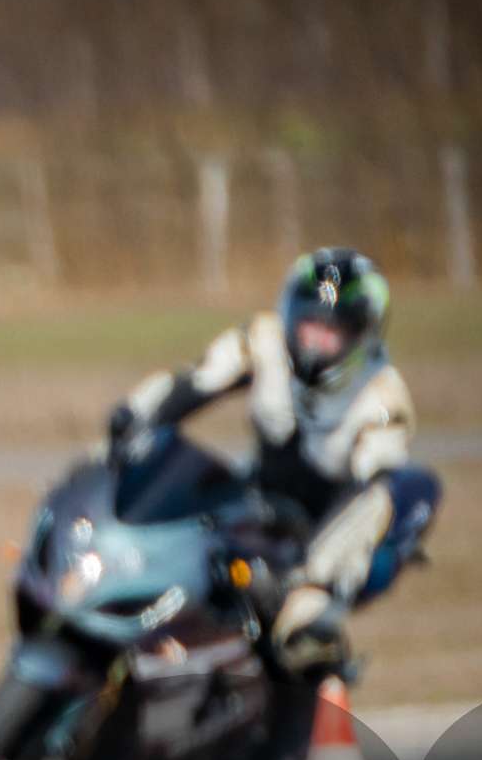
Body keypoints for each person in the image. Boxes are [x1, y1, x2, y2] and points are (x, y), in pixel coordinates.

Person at [108, 246, 441, 677]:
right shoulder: (264, 338)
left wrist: (306, 578)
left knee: (402, 489)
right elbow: (195, 381)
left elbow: (367, 501)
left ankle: (312, 625)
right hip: (257, 500)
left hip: (322, 534)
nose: (315, 341)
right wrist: (132, 419)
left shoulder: (383, 397)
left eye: (332, 330)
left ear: (362, 334)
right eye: (309, 324)